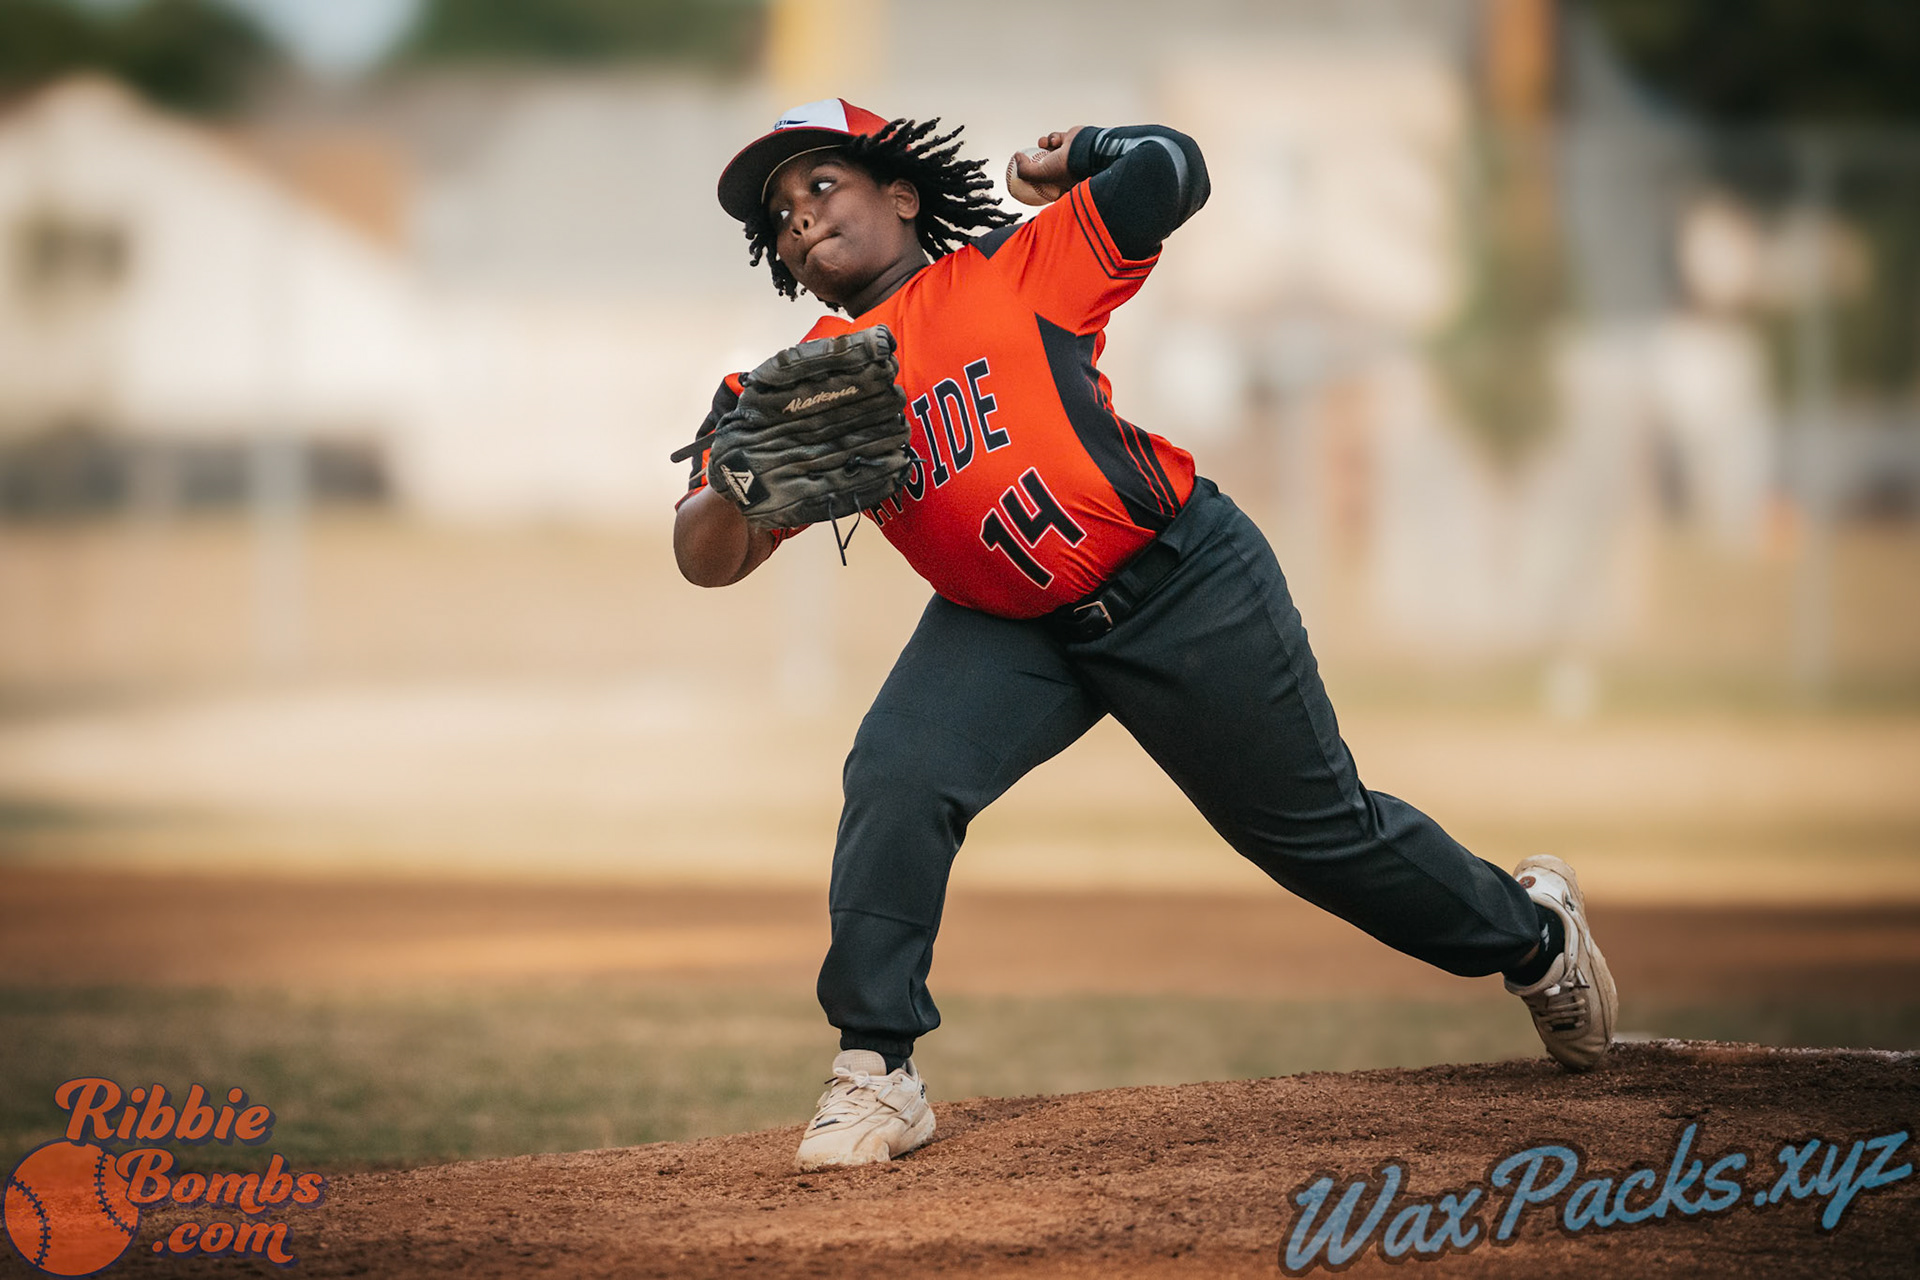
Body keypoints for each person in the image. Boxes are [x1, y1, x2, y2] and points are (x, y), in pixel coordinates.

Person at [673, 99, 1617, 1173]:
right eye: (780, 212)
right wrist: (744, 478)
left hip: (1178, 579)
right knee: (896, 771)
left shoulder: (1015, 269)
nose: (799, 216)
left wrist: (1078, 157)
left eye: (822, 183)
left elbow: (1175, 172)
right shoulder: (792, 387)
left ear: (901, 193)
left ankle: (1535, 936)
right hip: (1007, 626)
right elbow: (706, 554)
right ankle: (875, 1069)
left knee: (1320, 836)